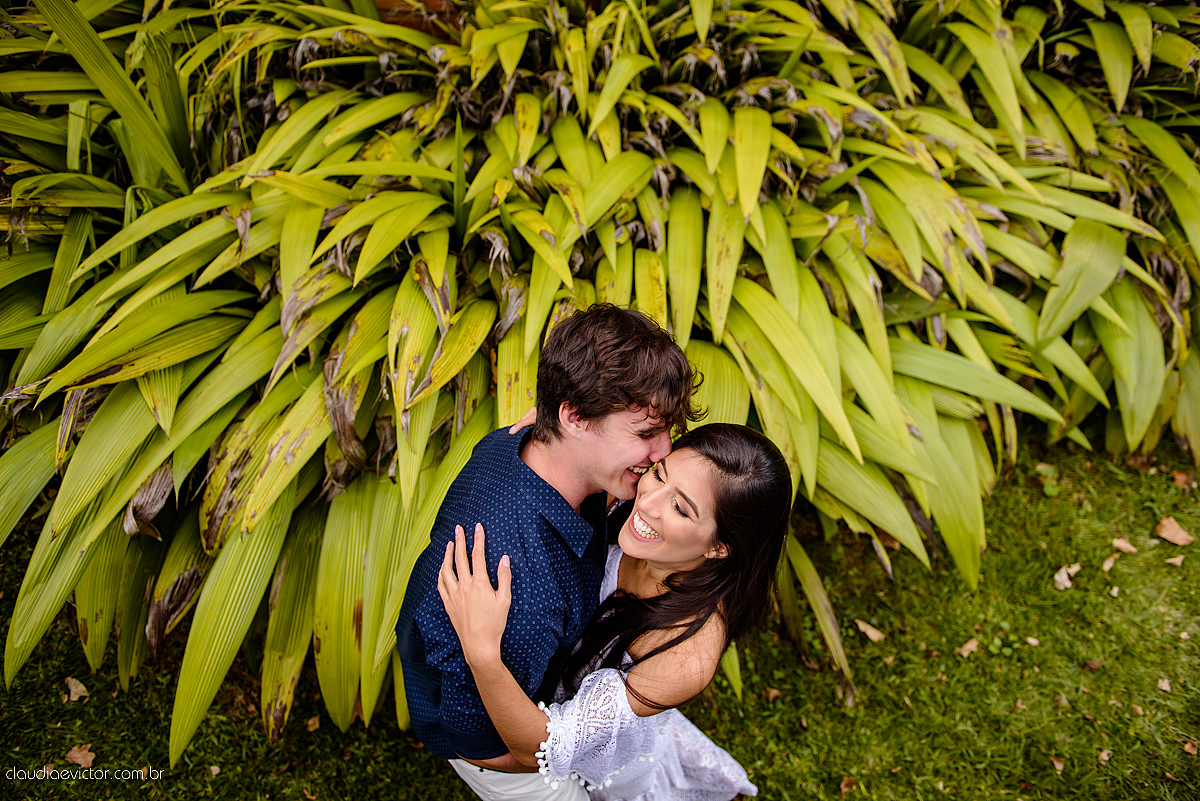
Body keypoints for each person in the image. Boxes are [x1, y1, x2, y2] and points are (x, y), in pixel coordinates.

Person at [395, 304, 699, 800]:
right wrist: (576, 757)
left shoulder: (517, 443)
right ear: (574, 416)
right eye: (646, 433)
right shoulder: (524, 590)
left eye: (666, 429)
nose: (664, 450)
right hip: (507, 760)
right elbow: (480, 743)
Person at [438, 423, 792, 800]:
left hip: (591, 741)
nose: (647, 502)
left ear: (718, 547)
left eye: (680, 508)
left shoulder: (685, 657)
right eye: (660, 474)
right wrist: (554, 429)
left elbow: (538, 748)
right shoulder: (627, 496)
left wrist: (483, 654)